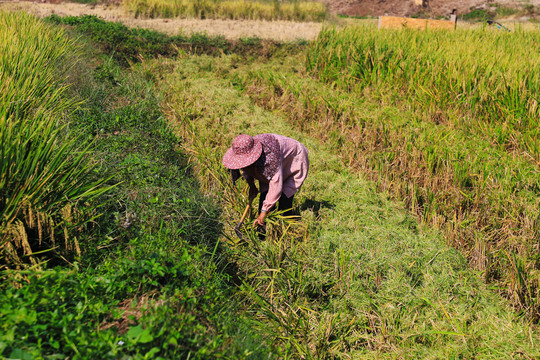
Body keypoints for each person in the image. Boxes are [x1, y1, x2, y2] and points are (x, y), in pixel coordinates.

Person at [222, 133, 309, 228]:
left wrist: (264, 211)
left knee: (285, 199)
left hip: (293, 158)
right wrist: (252, 186)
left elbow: (276, 185)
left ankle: (287, 229)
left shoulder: (269, 158)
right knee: (264, 196)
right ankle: (262, 233)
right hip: (275, 163)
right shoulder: (244, 153)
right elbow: (247, 170)